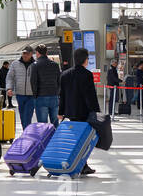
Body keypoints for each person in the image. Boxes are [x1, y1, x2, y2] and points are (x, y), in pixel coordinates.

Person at [58, 47, 100, 176]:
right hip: (84, 112)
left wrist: (61, 111)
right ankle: (82, 165)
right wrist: (95, 110)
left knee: (75, 139)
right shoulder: (87, 74)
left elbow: (62, 95)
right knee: (84, 140)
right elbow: (90, 95)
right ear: (84, 60)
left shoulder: (65, 74)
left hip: (71, 112)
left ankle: (78, 164)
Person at [7, 47, 39, 127]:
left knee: (27, 116)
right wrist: (9, 88)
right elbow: (10, 77)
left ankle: (25, 133)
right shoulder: (15, 64)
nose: (25, 55)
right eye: (24, 53)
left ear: (31, 54)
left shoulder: (36, 64)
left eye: (27, 54)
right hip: (19, 94)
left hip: (31, 95)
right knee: (22, 116)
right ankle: (25, 131)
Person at [32, 44, 62, 124]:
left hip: (41, 97)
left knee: (42, 124)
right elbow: (59, 81)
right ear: (46, 52)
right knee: (55, 123)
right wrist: (57, 93)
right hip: (54, 97)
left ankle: (45, 137)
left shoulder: (35, 65)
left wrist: (35, 97)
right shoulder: (55, 65)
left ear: (38, 53)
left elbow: (33, 82)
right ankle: (55, 136)